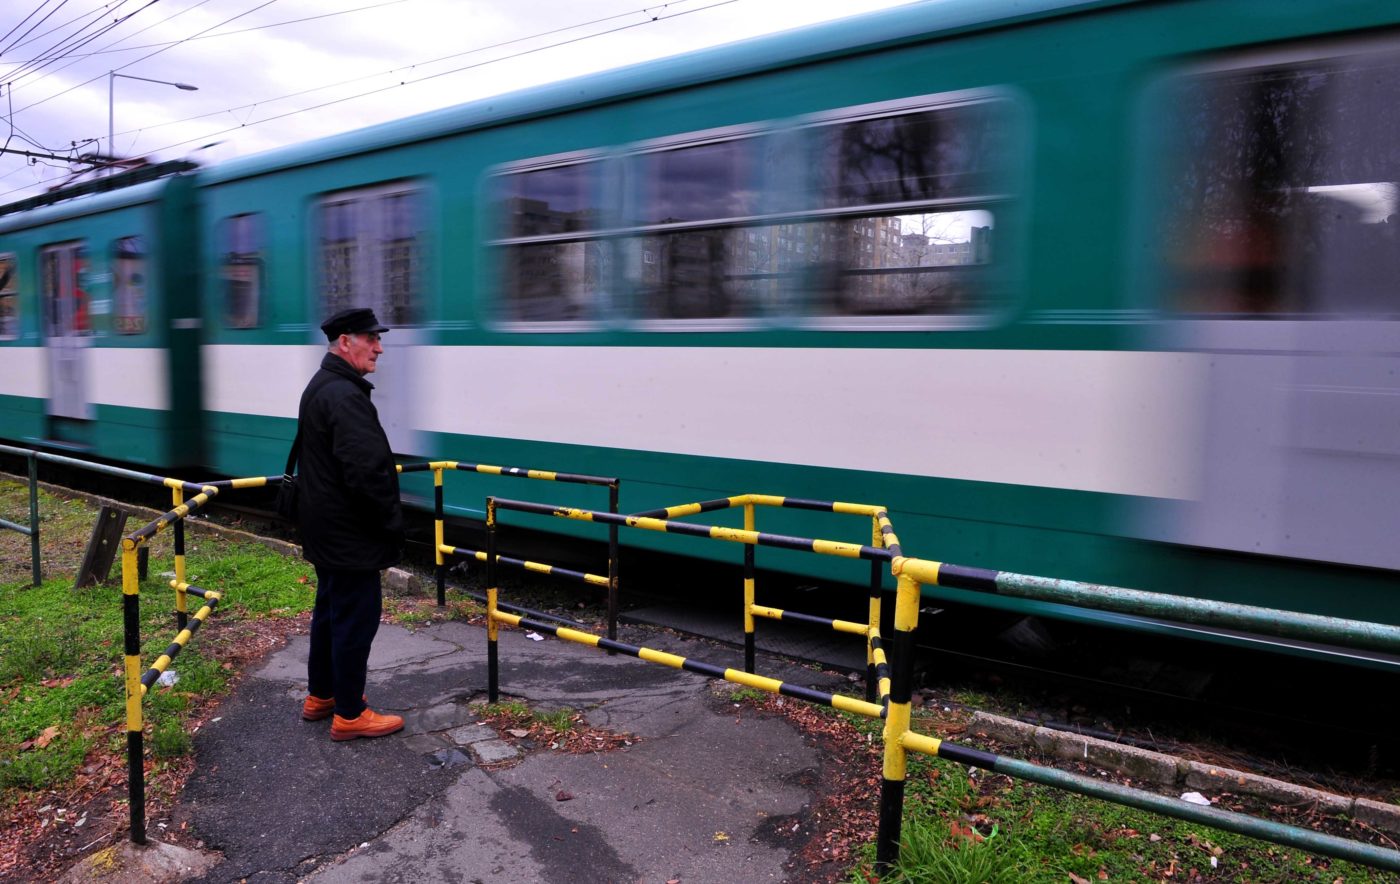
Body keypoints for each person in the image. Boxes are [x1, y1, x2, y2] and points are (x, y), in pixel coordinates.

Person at [295, 306, 406, 741]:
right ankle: (350, 713)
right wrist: (391, 524)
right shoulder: (344, 395)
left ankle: (321, 695)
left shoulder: (322, 386)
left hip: (325, 528)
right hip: (350, 532)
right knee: (355, 620)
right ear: (346, 342)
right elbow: (367, 473)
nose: (378, 347)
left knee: (330, 613)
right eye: (371, 338)